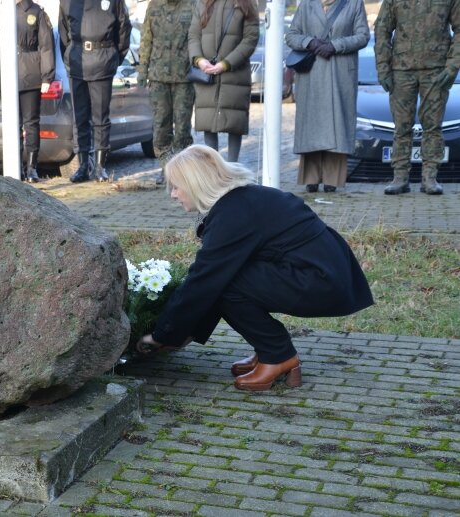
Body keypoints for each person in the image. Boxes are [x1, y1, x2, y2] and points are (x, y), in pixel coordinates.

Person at [136, 145, 374, 391]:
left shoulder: (233, 213)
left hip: (320, 282)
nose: (173, 195)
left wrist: (163, 334)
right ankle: (268, 349)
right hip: (322, 275)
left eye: (176, 187)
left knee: (226, 282)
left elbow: (204, 279)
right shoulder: (241, 200)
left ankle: (278, 355)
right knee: (226, 277)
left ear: (196, 184)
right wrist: (183, 332)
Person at [374, 0, 460, 196]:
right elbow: (382, 29)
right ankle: (400, 177)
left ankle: (430, 177)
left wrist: (453, 65)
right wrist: (383, 68)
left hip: (436, 70)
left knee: (433, 126)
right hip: (401, 70)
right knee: (401, 126)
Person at [286, 0, 369, 193]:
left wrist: (335, 45)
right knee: (312, 125)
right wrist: (310, 42)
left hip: (340, 73)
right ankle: (311, 178)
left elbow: (363, 35)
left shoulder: (353, 4)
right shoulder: (307, 4)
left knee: (337, 126)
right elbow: (291, 35)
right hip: (311, 74)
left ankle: (333, 179)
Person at [0, 0, 55, 183]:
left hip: (30, 75)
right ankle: (15, 169)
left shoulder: (36, 12)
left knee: (31, 124)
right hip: (7, 74)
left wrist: (47, 77)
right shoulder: (1, 11)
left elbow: (46, 46)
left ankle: (31, 168)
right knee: (11, 125)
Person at [59, 0, 131, 182]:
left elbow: (123, 29)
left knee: (100, 117)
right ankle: (83, 165)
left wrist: (113, 58)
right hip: (77, 62)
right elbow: (63, 33)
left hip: (102, 60)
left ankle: (99, 167)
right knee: (80, 118)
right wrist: (70, 58)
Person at [188, 0, 258, 163]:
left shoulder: (246, 4)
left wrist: (226, 64)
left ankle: (233, 169)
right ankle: (214, 170)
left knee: (235, 123)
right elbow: (193, 35)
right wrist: (198, 59)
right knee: (208, 122)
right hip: (207, 74)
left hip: (235, 75)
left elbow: (250, 39)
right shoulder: (203, 3)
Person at [137, 0, 195, 184]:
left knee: (183, 128)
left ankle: (182, 170)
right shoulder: (154, 6)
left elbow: (198, 38)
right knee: (161, 125)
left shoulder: (192, 5)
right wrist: (142, 70)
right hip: (158, 75)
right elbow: (146, 39)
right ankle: (166, 168)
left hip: (184, 76)